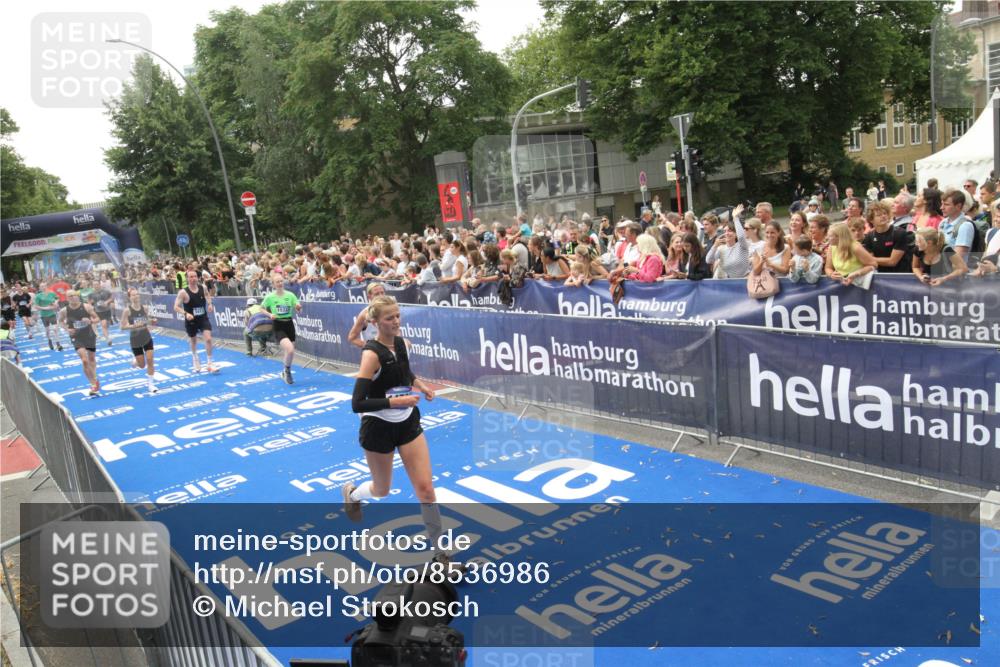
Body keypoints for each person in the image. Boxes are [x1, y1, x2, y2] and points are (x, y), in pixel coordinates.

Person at [342, 296, 459, 568]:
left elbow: (404, 373)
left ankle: (441, 555)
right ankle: (353, 494)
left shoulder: (403, 343)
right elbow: (357, 403)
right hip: (378, 428)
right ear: (375, 322)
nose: (396, 322)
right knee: (381, 489)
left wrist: (421, 385)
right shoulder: (371, 354)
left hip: (407, 423)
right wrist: (394, 402)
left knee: (426, 489)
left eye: (397, 316)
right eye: (389, 318)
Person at [260, 273, 302, 385]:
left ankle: (286, 370)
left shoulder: (290, 295)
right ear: (273, 284)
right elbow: (261, 308)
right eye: (277, 282)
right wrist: (270, 314)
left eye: (281, 281)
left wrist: (298, 308)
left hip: (289, 324)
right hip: (278, 325)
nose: (280, 283)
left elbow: (298, 307)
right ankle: (287, 371)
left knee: (290, 352)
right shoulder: (270, 297)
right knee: (290, 349)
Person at [173, 269, 218, 373]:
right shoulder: (183, 292)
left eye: (195, 276)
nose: (193, 279)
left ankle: (210, 363)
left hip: (203, 318)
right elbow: (176, 307)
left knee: (208, 339)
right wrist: (186, 314)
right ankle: (195, 358)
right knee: (193, 340)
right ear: (187, 279)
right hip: (191, 320)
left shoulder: (203, 287)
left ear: (198, 278)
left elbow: (207, 295)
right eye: (191, 277)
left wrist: (210, 304)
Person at [60, 290, 101, 396]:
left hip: (89, 335)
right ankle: (93, 383)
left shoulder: (87, 307)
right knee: (84, 360)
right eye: (71, 296)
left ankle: (94, 377)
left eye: (75, 295)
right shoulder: (64, 311)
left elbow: (97, 318)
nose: (74, 297)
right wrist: (67, 329)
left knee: (91, 359)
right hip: (76, 337)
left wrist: (90, 321)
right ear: (67, 298)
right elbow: (60, 321)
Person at [120, 287, 158, 393]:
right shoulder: (127, 311)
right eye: (133, 295)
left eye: (137, 294)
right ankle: (135, 362)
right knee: (142, 365)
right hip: (135, 340)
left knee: (150, 360)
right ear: (129, 297)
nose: (136, 296)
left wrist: (152, 321)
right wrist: (133, 326)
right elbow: (122, 327)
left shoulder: (145, 308)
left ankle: (151, 385)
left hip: (146, 337)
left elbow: (148, 321)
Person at [863, 199, 911, 273]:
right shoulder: (869, 237)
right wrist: (869, 260)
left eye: (885, 213)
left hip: (900, 275)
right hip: (879, 275)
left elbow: (892, 262)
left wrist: (869, 259)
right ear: (871, 220)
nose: (883, 216)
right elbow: (871, 262)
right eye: (879, 215)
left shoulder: (899, 233)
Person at [824, 222, 878, 286]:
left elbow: (874, 264)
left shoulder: (855, 247)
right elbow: (828, 268)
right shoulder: (831, 247)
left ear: (839, 237)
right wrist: (831, 274)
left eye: (830, 236)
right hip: (844, 285)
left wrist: (857, 273)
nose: (827, 238)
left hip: (862, 283)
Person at [939, 190, 977, 262]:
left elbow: (958, 257)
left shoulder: (965, 226)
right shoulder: (943, 223)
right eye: (942, 204)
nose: (941, 208)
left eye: (946, 204)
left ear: (958, 206)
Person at [349, 282, 386, 348]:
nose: (380, 296)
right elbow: (352, 338)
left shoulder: (391, 309)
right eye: (377, 294)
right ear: (369, 296)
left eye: (382, 293)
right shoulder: (364, 314)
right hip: (375, 352)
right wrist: (371, 347)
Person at [33, 281, 63, 351]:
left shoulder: (52, 293)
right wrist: (46, 308)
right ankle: (49, 341)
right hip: (44, 315)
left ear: (46, 286)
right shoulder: (38, 296)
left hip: (52, 314)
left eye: (44, 286)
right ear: (39, 288)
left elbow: (57, 298)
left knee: (55, 329)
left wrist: (55, 302)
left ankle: (58, 344)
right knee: (47, 331)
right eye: (41, 286)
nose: (43, 287)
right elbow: (36, 306)